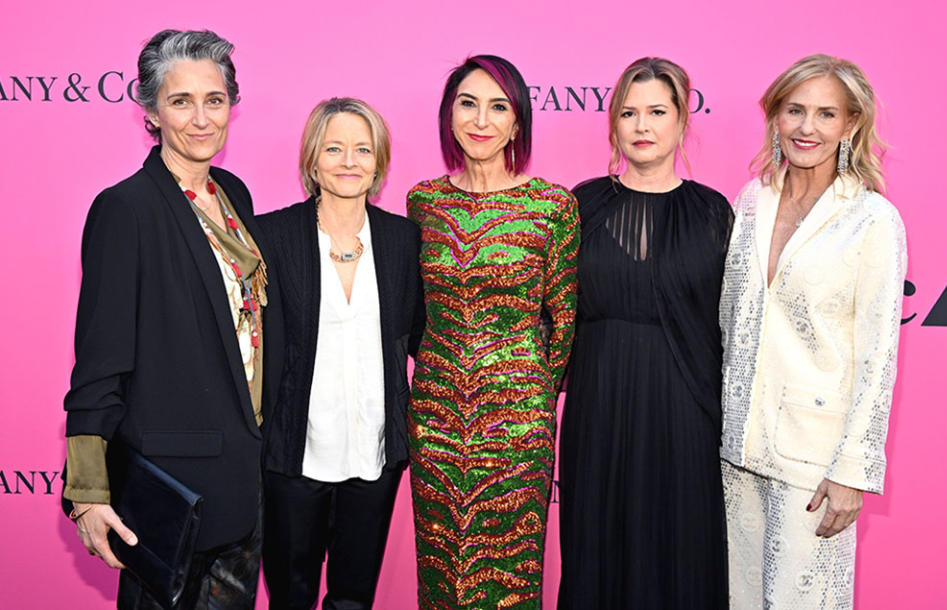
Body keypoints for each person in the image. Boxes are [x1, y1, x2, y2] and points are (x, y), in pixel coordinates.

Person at [62, 29, 280, 609]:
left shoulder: (234, 194)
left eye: (214, 99)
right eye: (181, 101)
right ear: (151, 112)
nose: (201, 118)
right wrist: (87, 493)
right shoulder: (125, 209)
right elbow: (99, 364)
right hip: (172, 494)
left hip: (243, 486)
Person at [719, 54, 907, 609]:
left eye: (826, 114)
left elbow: (879, 356)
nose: (807, 127)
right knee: (738, 599)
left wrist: (854, 469)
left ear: (851, 124)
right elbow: (730, 324)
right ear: (776, 117)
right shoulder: (752, 201)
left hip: (815, 462)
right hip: (735, 449)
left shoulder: (873, 219)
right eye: (795, 110)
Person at [557, 57, 733, 609]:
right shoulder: (579, 205)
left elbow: (731, 326)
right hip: (598, 402)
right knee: (596, 541)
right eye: (628, 113)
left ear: (682, 120)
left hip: (685, 407)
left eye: (657, 111)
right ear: (613, 123)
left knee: (679, 545)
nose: (641, 126)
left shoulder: (713, 212)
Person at [406, 55, 579, 608]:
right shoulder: (424, 202)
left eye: (498, 106)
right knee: (439, 573)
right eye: (468, 103)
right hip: (435, 421)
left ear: (518, 122)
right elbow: (415, 315)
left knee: (509, 581)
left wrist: (528, 400)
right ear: (448, 115)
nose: (481, 120)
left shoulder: (552, 207)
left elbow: (564, 320)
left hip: (518, 431)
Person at [255, 97, 424, 610]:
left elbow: (419, 335)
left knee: (354, 598)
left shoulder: (402, 239)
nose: (349, 161)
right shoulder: (271, 236)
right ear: (312, 159)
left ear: (379, 162)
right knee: (291, 597)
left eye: (362, 149)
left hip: (373, 455)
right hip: (293, 454)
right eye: (334, 148)